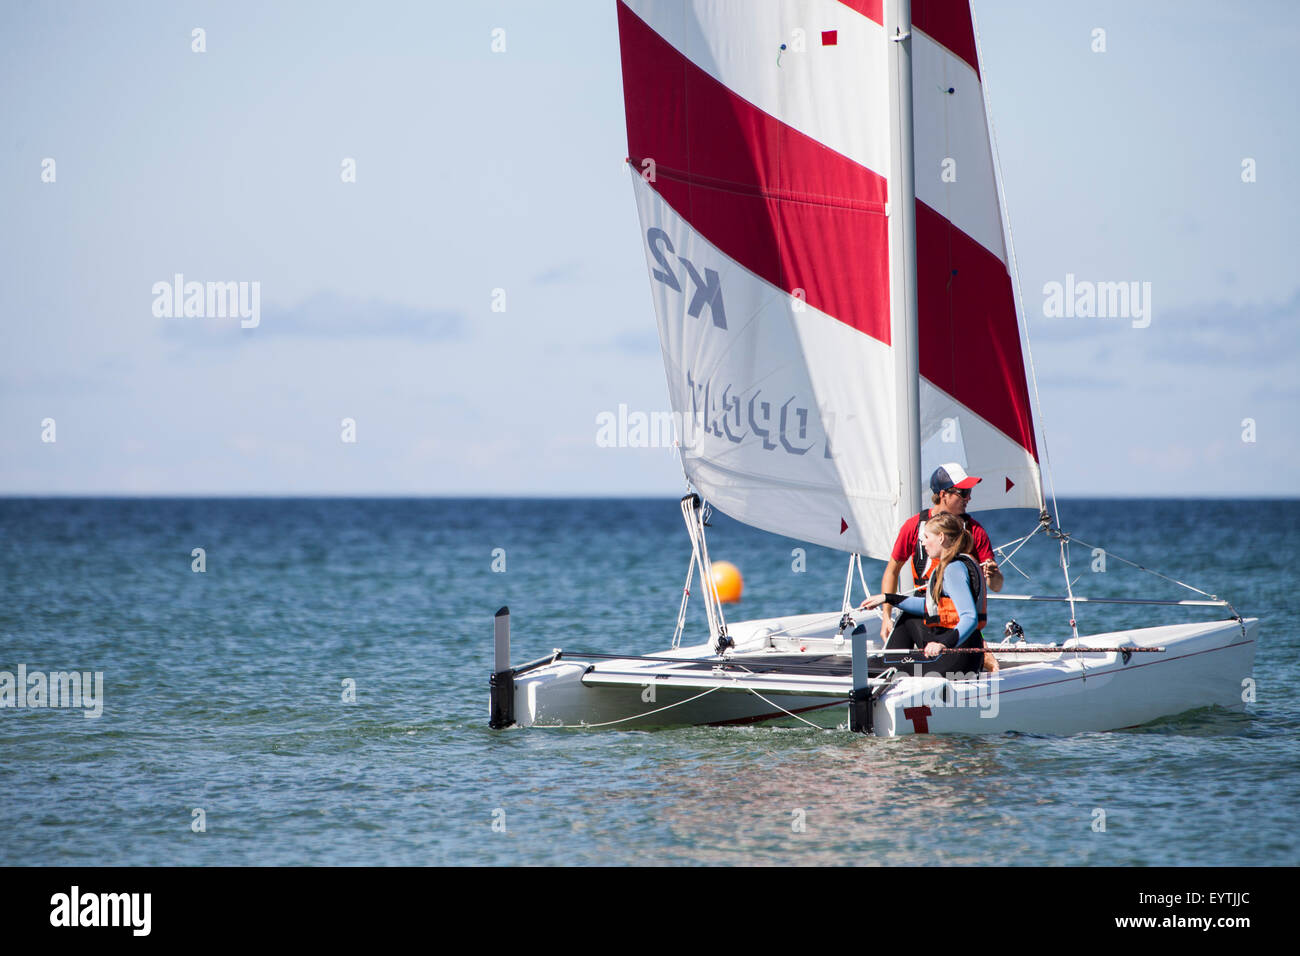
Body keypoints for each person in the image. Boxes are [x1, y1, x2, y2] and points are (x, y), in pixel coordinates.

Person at [878, 462, 1003, 649]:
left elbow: (996, 586)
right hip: (922, 609)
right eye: (963, 493)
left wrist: (993, 575)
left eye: (969, 492)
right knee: (903, 630)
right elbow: (892, 571)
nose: (969, 498)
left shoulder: (975, 531)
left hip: (955, 619)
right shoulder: (913, 526)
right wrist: (886, 617)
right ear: (944, 495)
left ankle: (978, 653)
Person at [860, 512, 987, 677]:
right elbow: (928, 607)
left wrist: (943, 645)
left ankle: (888, 665)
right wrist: (887, 598)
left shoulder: (953, 569)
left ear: (941, 538)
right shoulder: (953, 565)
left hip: (957, 661)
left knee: (869, 667)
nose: (922, 542)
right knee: (909, 616)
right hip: (959, 657)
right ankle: (889, 661)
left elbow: (970, 617)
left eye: (926, 537)